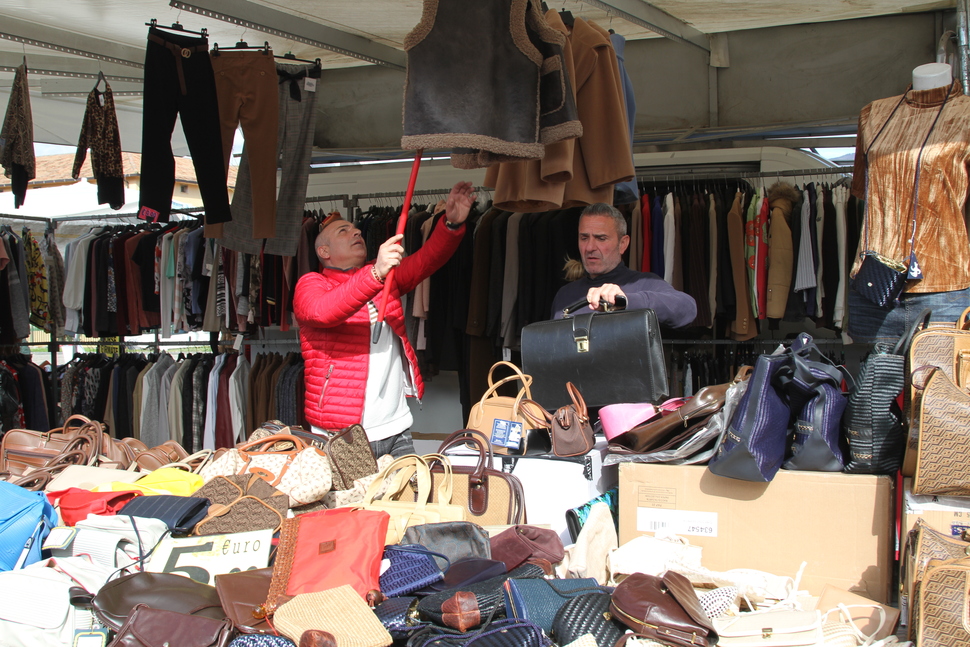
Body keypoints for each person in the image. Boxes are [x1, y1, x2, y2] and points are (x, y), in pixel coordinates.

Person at [293, 181, 476, 458]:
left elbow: (425, 261)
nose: (356, 231)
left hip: (397, 426)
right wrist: (375, 274)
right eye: (344, 231)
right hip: (343, 434)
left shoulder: (380, 277)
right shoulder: (312, 283)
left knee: (406, 499)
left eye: (356, 229)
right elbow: (322, 311)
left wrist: (449, 226)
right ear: (324, 252)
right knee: (353, 503)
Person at [549, 202, 697, 327]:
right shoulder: (564, 295)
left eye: (601, 238)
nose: (589, 247)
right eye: (584, 238)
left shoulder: (642, 283)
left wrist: (626, 300)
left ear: (623, 244)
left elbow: (688, 308)